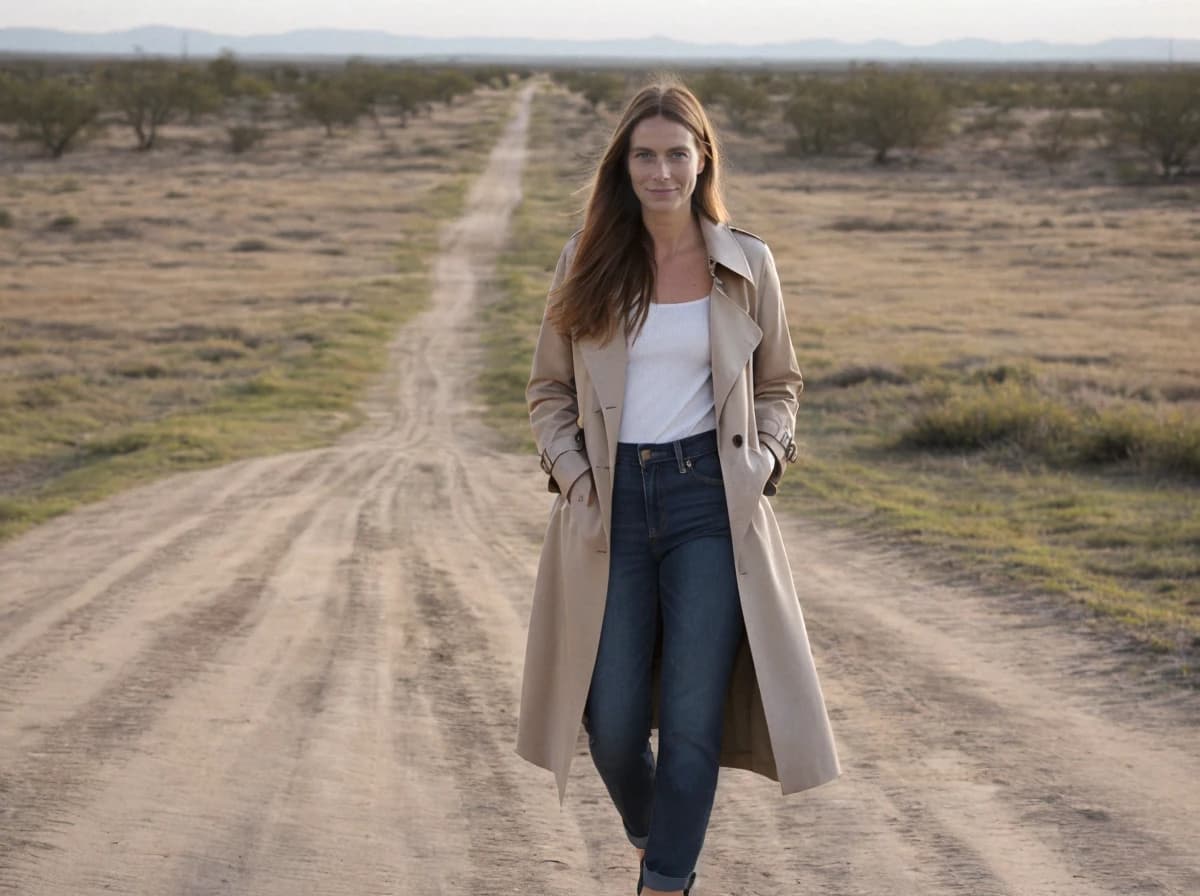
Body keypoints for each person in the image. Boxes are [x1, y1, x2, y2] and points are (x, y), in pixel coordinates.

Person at [516, 79, 841, 896]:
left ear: (702, 161)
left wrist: (766, 457)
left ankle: (664, 881)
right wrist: (573, 472)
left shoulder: (747, 262)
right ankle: (651, 831)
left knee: (693, 724)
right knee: (613, 722)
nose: (661, 171)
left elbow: (781, 384)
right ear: (623, 166)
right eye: (644, 156)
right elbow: (548, 390)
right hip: (610, 504)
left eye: (676, 155)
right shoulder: (584, 262)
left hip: (710, 500)